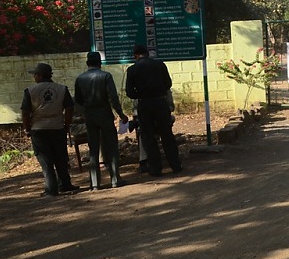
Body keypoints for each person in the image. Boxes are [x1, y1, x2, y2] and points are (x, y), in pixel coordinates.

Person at [21, 63, 80, 197]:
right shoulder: (61, 89)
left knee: (45, 160)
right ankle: (65, 184)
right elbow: (70, 109)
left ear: (40, 75)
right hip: (57, 127)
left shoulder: (30, 91)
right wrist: (66, 124)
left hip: (39, 129)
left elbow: (25, 113)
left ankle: (51, 189)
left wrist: (27, 129)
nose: (34, 77)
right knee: (60, 157)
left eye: (35, 74)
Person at [74, 51, 129, 190]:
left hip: (90, 115)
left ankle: (95, 183)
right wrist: (121, 113)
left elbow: (78, 100)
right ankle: (115, 179)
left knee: (93, 149)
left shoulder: (80, 79)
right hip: (104, 113)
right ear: (100, 63)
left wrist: (84, 112)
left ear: (87, 63)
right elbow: (113, 98)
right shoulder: (106, 76)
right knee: (111, 146)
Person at [125, 44, 182, 176]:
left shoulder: (132, 70)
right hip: (161, 102)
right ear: (148, 53)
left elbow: (130, 92)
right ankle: (175, 165)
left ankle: (155, 168)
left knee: (148, 136)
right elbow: (168, 84)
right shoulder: (160, 64)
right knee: (166, 134)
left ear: (135, 56)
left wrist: (141, 94)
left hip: (145, 104)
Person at [134, 90, 175, 173]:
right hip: (155, 114)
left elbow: (171, 106)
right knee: (143, 132)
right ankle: (174, 163)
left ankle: (151, 163)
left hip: (157, 114)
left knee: (146, 133)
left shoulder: (139, 86)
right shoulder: (161, 85)